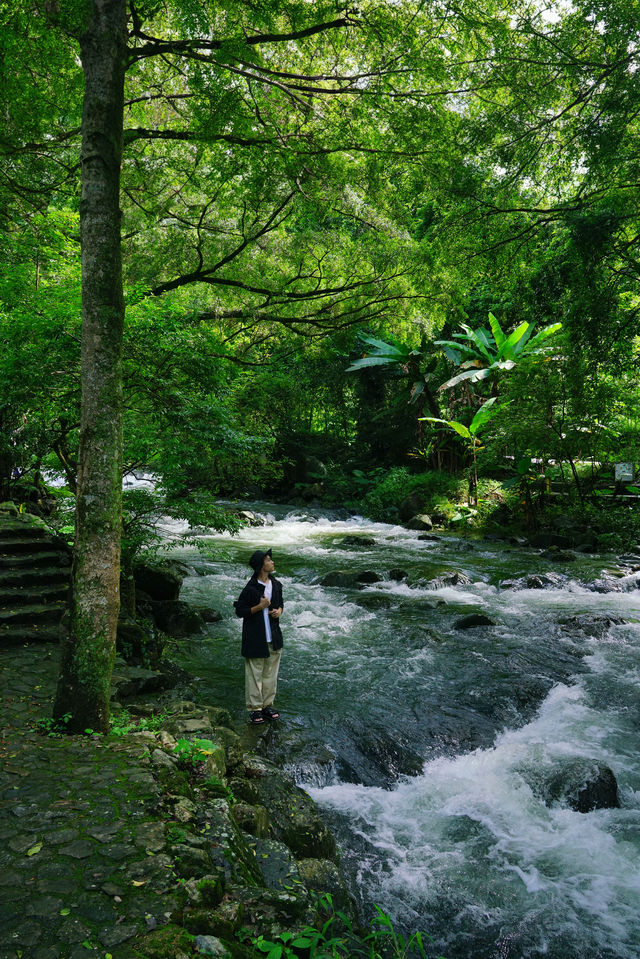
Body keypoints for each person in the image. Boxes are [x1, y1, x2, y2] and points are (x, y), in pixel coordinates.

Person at [233, 548, 284, 724]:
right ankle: (255, 709)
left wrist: (279, 611)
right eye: (269, 560)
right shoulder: (251, 588)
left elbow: (281, 604)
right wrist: (259, 606)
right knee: (255, 675)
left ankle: (267, 705)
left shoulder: (276, 584)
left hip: (274, 637)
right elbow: (240, 611)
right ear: (261, 566)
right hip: (255, 638)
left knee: (270, 674)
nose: (272, 562)